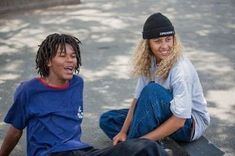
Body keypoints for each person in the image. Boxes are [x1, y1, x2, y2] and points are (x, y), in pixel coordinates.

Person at [0, 33, 168, 156]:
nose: (70, 60)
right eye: (63, 56)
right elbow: (15, 131)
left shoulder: (77, 83)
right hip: (50, 153)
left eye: (73, 56)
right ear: (48, 61)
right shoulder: (29, 90)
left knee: (144, 147)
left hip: (81, 151)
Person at [99, 12, 210, 145]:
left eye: (168, 39)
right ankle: (150, 144)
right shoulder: (150, 62)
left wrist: (140, 140)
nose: (164, 46)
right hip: (163, 112)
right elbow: (136, 100)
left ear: (174, 39)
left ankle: (134, 147)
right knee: (108, 119)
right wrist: (123, 131)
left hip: (189, 124)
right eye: (158, 41)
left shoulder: (181, 69)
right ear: (148, 44)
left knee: (152, 91)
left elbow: (179, 121)